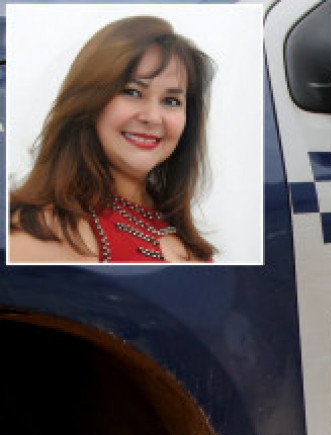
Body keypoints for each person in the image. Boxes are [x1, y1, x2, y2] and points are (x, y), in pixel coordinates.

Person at [8, 16, 215, 263]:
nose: (152, 117)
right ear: (89, 100)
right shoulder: (40, 233)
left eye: (171, 101)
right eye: (132, 92)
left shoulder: (180, 232)